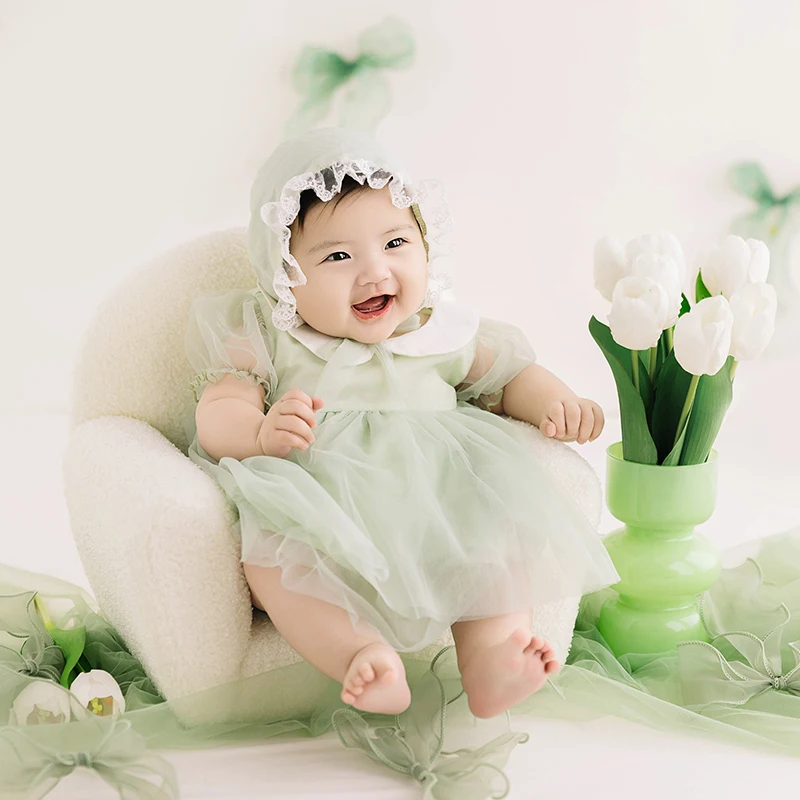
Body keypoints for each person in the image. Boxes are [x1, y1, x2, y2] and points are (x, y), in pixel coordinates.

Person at [185, 127, 620, 719]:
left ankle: (492, 655)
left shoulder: (437, 331)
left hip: (441, 488)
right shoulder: (271, 332)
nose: (374, 272)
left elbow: (511, 375)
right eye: (337, 256)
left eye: (395, 242)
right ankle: (359, 655)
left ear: (424, 244)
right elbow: (219, 410)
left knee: (498, 534)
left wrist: (555, 402)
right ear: (283, 272)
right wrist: (259, 432)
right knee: (271, 557)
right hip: (322, 492)